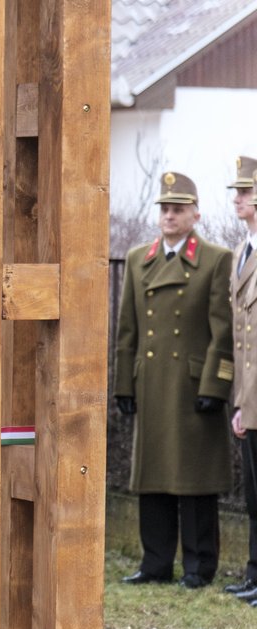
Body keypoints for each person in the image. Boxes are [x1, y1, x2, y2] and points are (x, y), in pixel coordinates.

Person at [115, 171, 234, 589]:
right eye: (165, 209)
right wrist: (123, 385)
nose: (169, 216)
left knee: (195, 480)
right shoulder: (137, 259)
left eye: (178, 209)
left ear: (195, 214)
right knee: (154, 478)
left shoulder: (217, 259)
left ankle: (199, 567)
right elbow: (126, 327)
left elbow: (224, 330)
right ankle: (155, 564)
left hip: (192, 386)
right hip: (151, 383)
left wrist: (216, 386)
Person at [226, 159, 257, 604]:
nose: (237, 198)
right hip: (250, 398)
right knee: (253, 496)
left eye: (245, 192)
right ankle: (254, 574)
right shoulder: (243, 251)